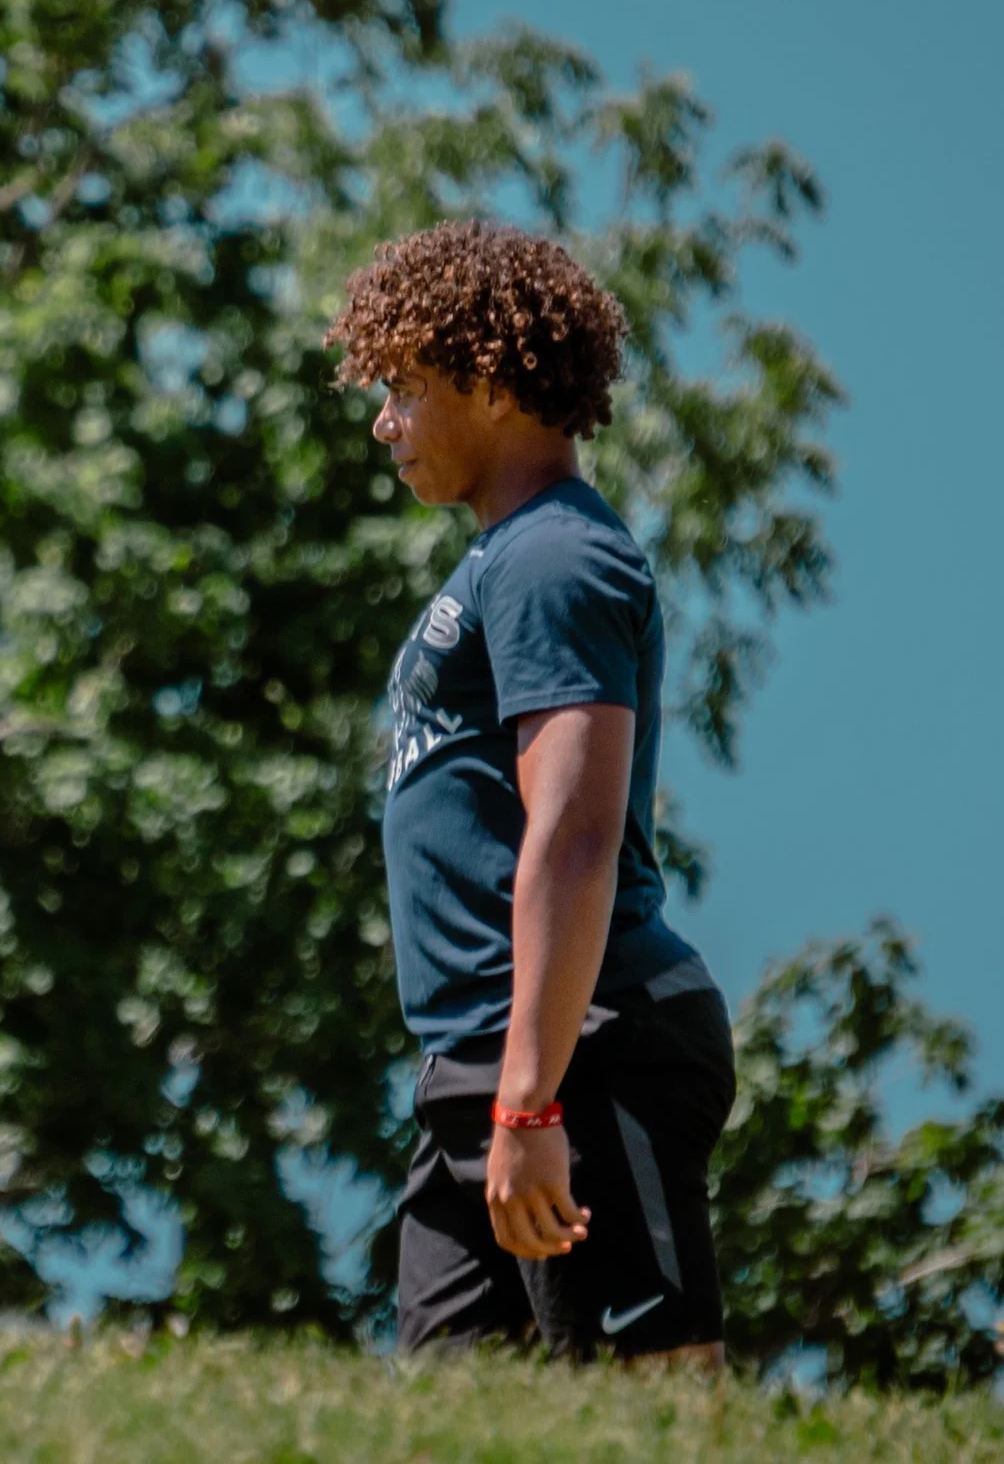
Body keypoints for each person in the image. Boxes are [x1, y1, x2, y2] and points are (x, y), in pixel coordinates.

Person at [326, 222, 735, 1367]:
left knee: (654, 1409)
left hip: (585, 1043)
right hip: (486, 1059)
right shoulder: (501, 560)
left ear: (495, 385)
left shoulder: (557, 556)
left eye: (405, 387)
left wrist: (529, 1100)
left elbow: (575, 831)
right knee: (461, 1416)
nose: (384, 421)